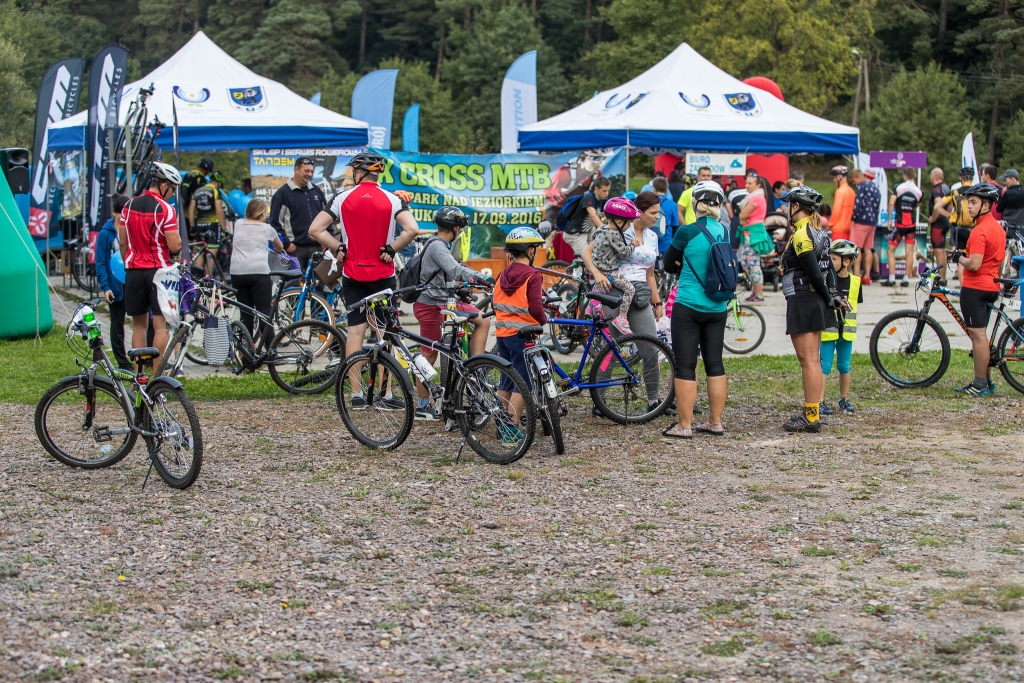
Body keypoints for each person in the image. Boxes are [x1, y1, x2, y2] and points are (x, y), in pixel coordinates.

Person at [307, 151, 418, 403]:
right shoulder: (392, 199)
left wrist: (337, 246)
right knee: (384, 333)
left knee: (355, 332)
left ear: (358, 172)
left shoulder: (342, 198)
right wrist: (392, 249)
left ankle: (356, 394)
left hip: (353, 275)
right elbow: (412, 229)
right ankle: (386, 394)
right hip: (382, 275)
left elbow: (315, 229)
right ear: (376, 173)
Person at [582, 192, 667, 416]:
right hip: (614, 292)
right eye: (653, 212)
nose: (657, 217)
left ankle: (654, 400)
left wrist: (657, 302)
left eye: (658, 212)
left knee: (651, 348)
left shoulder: (652, 237)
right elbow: (586, 253)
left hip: (639, 295)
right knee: (611, 348)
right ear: (639, 212)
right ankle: (600, 401)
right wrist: (597, 274)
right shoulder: (618, 228)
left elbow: (650, 274)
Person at [661, 181, 731, 438]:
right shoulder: (724, 231)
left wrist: (682, 261)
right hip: (718, 306)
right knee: (715, 363)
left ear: (695, 204)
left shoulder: (687, 231)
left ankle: (684, 426)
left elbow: (669, 264)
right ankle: (715, 422)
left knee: (685, 365)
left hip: (689, 305)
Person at [412, 207, 493, 420]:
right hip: (430, 306)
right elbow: (456, 270)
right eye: (460, 228)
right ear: (456, 228)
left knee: (482, 320)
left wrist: (458, 291)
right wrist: (483, 278)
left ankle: (476, 366)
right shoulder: (437, 246)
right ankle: (422, 407)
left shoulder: (439, 243)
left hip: (444, 302)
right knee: (428, 355)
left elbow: (442, 274)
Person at [779, 185, 845, 433]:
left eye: (789, 205)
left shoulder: (801, 234)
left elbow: (816, 273)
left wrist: (829, 297)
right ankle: (812, 412)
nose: (787, 209)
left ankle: (811, 416)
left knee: (808, 361)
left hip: (804, 300)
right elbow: (830, 270)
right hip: (813, 300)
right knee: (813, 360)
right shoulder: (819, 232)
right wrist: (832, 294)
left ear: (796, 206)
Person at [119, 162, 183, 365]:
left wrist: (129, 262)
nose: (172, 194)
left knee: (138, 326)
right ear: (164, 185)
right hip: (159, 272)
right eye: (172, 189)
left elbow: (123, 242)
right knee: (160, 326)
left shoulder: (128, 206)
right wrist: (178, 244)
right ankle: (157, 376)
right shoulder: (166, 209)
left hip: (133, 271)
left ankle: (139, 375)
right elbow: (174, 245)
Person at [949, 183, 1007, 395]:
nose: (969, 206)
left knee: (978, 335)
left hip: (975, 288)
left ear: (986, 205)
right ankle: (987, 381)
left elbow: (974, 264)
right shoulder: (998, 228)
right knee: (982, 335)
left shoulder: (979, 231)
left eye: (973, 202)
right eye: (968, 202)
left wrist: (958, 257)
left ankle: (980, 384)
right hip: (992, 285)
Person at [493, 227, 548, 441]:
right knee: (523, 382)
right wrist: (543, 320)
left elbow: (494, 303)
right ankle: (511, 429)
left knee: (507, 380)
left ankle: (501, 424)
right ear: (530, 250)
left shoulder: (502, 275)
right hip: (523, 335)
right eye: (535, 248)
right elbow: (535, 307)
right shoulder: (533, 275)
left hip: (502, 334)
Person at [585, 196, 645, 334]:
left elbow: (593, 237)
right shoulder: (614, 235)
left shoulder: (601, 229)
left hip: (598, 267)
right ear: (619, 222)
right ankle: (621, 319)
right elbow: (624, 253)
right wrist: (633, 244)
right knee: (630, 289)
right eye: (628, 224)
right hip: (609, 271)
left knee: (598, 287)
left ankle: (590, 307)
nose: (629, 227)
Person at [229, 198, 284, 342]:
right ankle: (271, 350)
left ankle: (247, 349)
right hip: (259, 273)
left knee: (245, 314)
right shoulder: (268, 229)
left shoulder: (238, 224)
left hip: (237, 273)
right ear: (262, 213)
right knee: (264, 314)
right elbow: (279, 247)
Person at [819, 239, 863, 416]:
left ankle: (843, 399)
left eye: (834, 259)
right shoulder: (826, 281)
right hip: (829, 330)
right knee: (824, 365)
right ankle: (819, 401)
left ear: (847, 261)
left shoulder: (856, 282)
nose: (830, 262)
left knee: (844, 365)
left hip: (847, 332)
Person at [270, 156, 330, 271]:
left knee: (320, 281)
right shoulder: (282, 194)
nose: (309, 174)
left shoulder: (317, 191)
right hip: (295, 250)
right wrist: (286, 244)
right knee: (295, 282)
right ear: (296, 169)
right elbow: (275, 223)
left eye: (311, 171)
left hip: (317, 248)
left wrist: (327, 240)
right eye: (306, 171)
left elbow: (327, 217)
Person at [95, 195, 133, 369]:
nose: (123, 217)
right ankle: (122, 361)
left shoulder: (131, 229)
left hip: (131, 281)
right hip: (114, 283)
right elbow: (101, 263)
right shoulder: (105, 234)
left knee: (143, 320)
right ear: (114, 213)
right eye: (120, 213)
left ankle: (145, 356)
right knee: (117, 323)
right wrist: (106, 287)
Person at [884, 168, 923, 287]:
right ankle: (906, 279)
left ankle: (892, 279)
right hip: (911, 225)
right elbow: (917, 205)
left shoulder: (898, 187)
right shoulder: (919, 191)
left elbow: (891, 203)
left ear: (905, 175)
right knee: (909, 252)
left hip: (900, 224)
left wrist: (889, 220)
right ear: (914, 176)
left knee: (890, 251)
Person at [737, 174, 770, 303]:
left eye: (750, 183)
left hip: (754, 235)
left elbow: (742, 215)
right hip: (749, 233)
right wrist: (742, 219)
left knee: (753, 264)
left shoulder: (757, 198)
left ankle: (759, 294)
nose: (747, 186)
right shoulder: (754, 197)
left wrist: (742, 219)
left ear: (758, 185)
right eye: (746, 183)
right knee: (746, 263)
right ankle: (755, 292)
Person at [934, 167, 977, 259]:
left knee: (960, 257)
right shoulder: (977, 192)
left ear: (960, 178)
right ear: (972, 178)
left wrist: (949, 215)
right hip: (974, 229)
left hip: (958, 229)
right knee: (972, 256)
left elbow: (937, 207)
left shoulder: (955, 192)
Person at [561, 176, 610, 256]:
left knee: (598, 254)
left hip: (587, 232)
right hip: (575, 234)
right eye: (604, 191)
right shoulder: (589, 197)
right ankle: (580, 264)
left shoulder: (602, 200)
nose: (606, 193)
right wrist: (606, 230)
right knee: (586, 257)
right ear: (596, 188)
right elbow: (593, 217)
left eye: (608, 190)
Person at [849, 168, 880, 284]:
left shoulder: (862, 186)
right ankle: (867, 276)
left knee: (857, 248)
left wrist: (853, 219)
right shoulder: (876, 188)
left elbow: (858, 204)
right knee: (868, 249)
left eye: (854, 180)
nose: (854, 183)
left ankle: (856, 275)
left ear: (859, 177)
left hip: (861, 221)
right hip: (872, 222)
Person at [925, 168, 952, 280]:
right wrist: (948, 215)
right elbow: (951, 204)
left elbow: (937, 205)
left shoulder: (936, 190)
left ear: (933, 177)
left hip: (938, 224)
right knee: (942, 251)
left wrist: (933, 218)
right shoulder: (946, 188)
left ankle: (941, 279)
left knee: (938, 251)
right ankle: (943, 277)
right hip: (945, 222)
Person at [996, 169, 1024, 277]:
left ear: (1013, 179)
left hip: (1009, 228)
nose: (1004, 182)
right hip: (1022, 229)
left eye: (1006, 180)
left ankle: (1006, 275)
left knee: (1005, 253)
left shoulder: (1008, 194)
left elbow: (998, 208)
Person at [189, 171, 227, 246]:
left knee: (200, 249)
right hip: (212, 224)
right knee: (212, 250)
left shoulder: (197, 191)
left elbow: (191, 210)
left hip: (199, 224)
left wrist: (192, 226)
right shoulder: (215, 191)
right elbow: (219, 211)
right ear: (219, 183)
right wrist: (224, 229)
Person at [180, 157, 213, 230]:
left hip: (184, 212)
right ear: (206, 169)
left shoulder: (187, 175)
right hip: (194, 214)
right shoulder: (200, 178)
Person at [652, 176, 679, 254]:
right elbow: (675, 226)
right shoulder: (672, 205)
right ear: (667, 190)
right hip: (666, 244)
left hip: (651, 243)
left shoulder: (649, 203)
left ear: (654, 189)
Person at [829, 166, 855, 241]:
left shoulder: (839, 192)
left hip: (838, 228)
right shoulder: (852, 191)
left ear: (839, 176)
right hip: (849, 228)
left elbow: (836, 211)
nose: (834, 180)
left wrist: (830, 223)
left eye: (834, 177)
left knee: (837, 249)